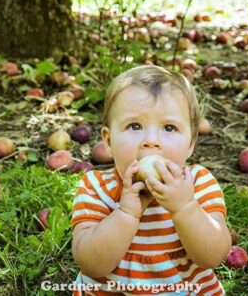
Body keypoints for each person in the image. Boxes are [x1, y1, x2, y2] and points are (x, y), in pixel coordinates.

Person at [71, 65, 231, 295]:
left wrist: (185, 208)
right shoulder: (95, 188)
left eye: (169, 127)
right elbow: (91, 263)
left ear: (190, 144)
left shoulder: (198, 184)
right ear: (108, 141)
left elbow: (213, 257)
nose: (151, 141)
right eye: (135, 126)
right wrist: (125, 214)